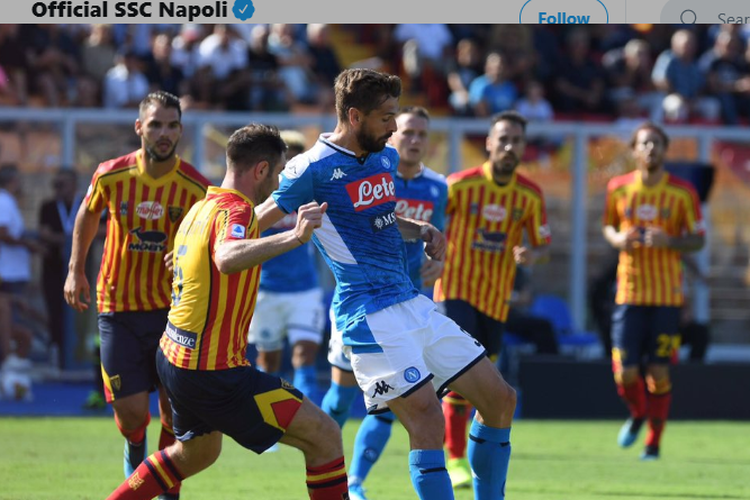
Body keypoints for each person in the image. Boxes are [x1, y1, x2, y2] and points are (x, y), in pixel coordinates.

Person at [257, 68, 515, 500]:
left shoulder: (384, 156)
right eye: (386, 117)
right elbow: (255, 218)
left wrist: (419, 229)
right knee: (427, 420)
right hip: (368, 316)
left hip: (412, 303)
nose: (395, 128)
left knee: (500, 399)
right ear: (354, 116)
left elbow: (375, 219)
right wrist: (204, 243)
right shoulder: (311, 167)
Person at [106, 124, 349, 500]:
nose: (280, 178)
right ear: (262, 170)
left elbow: (239, 232)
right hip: (214, 373)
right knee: (326, 436)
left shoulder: (203, 207)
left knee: (196, 453)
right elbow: (226, 255)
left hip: (175, 359)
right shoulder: (235, 211)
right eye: (279, 171)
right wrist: (295, 237)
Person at [64, 90, 211, 499]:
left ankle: (164, 492)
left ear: (181, 130)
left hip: (172, 312)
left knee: (171, 413)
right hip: (117, 308)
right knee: (131, 416)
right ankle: (135, 453)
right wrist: (76, 270)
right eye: (155, 124)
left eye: (171, 125)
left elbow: (208, 240)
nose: (164, 133)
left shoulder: (196, 187)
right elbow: (89, 212)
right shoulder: (110, 174)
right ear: (139, 127)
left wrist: (186, 259)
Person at [319, 105, 448, 500]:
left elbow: (438, 238)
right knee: (340, 398)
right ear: (393, 134)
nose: (413, 140)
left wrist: (438, 263)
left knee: (391, 404)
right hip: (362, 303)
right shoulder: (374, 171)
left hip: (409, 303)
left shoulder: (438, 187)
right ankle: (320, 455)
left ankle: (354, 483)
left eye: (421, 134)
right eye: (407, 131)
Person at [433, 110, 551, 488]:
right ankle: (453, 458)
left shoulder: (530, 194)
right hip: (455, 290)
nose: (509, 146)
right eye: (503, 139)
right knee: (459, 376)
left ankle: (473, 455)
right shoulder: (460, 186)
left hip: (496, 301)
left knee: (483, 385)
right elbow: (432, 226)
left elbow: (543, 243)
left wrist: (533, 254)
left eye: (516, 140)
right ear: (488, 142)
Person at [603, 122, 705, 460]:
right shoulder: (618, 189)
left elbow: (698, 238)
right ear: (634, 150)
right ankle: (637, 413)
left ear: (665, 149)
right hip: (629, 294)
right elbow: (609, 226)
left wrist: (670, 240)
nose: (650, 149)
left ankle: (653, 442)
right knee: (626, 371)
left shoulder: (682, 193)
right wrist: (618, 239)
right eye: (644, 144)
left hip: (666, 298)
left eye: (657, 144)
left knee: (659, 372)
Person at [247, 130, 325, 406]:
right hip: (266, 289)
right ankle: (266, 424)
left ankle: (309, 425)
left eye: (295, 156)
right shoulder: (261, 198)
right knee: (269, 362)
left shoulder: (310, 192)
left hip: (304, 288)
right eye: (285, 158)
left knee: (305, 358)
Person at [38, 168, 82, 369]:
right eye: (55, 185)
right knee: (55, 309)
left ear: (73, 184)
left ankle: (80, 354)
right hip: (54, 268)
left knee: (80, 310)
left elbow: (102, 229)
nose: (58, 189)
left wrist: (72, 242)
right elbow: (44, 233)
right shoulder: (48, 206)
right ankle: (57, 352)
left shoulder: (84, 204)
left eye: (62, 184)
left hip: (81, 269)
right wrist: (74, 239)